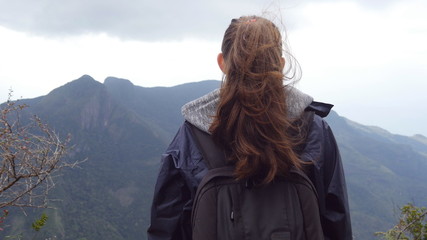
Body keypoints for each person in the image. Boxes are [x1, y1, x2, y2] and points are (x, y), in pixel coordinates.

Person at [147, 15, 352, 240]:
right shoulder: (314, 131)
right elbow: (336, 220)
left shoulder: (192, 136)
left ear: (222, 63)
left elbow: (166, 225)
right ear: (281, 65)